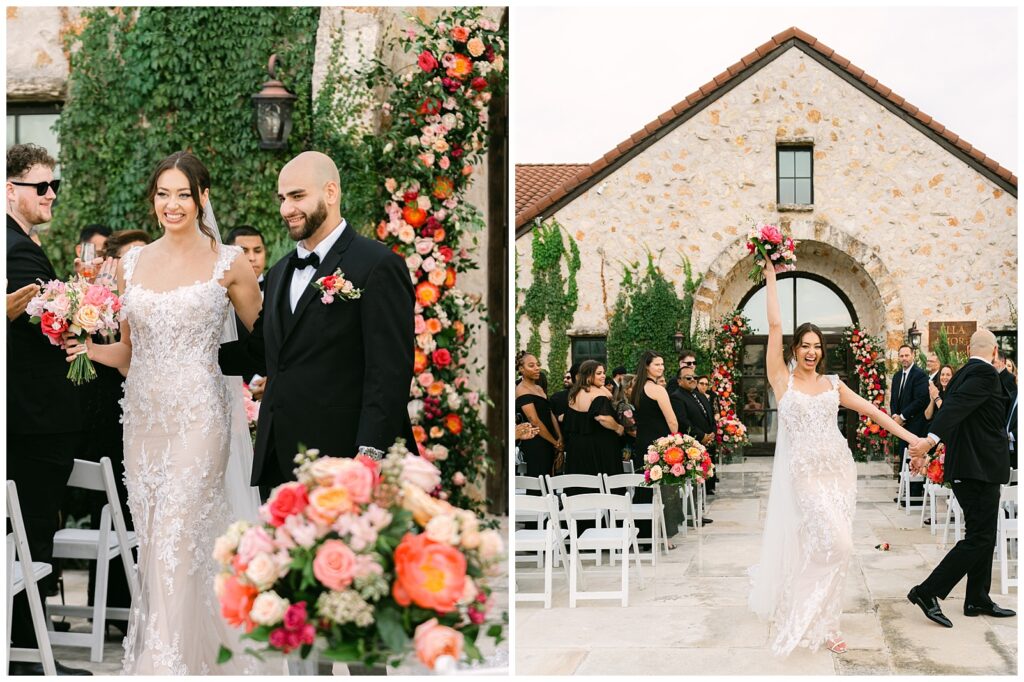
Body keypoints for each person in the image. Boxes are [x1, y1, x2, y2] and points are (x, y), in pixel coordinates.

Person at [65, 151, 271, 674]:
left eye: (183, 194)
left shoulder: (230, 261)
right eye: (163, 194)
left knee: (177, 535)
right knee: (159, 541)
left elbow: (268, 340)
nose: (172, 204)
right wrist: (87, 350)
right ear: (153, 199)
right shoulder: (131, 263)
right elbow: (130, 355)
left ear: (202, 198)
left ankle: (165, 666)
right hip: (143, 420)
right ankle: (201, 657)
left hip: (201, 416)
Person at [748, 260, 922, 656]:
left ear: (821, 351)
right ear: (795, 350)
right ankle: (799, 611)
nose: (811, 352)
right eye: (805, 346)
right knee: (839, 544)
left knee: (828, 547)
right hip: (806, 474)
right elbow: (774, 326)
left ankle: (829, 623)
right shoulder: (781, 379)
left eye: (817, 347)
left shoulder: (833, 384)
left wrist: (913, 438)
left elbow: (875, 412)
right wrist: (771, 276)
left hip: (840, 472)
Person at [218, 151, 416, 496]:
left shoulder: (378, 264)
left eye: (297, 196)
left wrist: (369, 453)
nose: (286, 209)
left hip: (346, 459)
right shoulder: (279, 272)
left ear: (330, 192)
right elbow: (263, 353)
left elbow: (390, 371)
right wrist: (185, 351)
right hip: (280, 460)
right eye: (282, 198)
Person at [7, 143, 92, 676]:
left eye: (53, 183)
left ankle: (22, 652)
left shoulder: (21, 244)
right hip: (33, 422)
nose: (52, 193)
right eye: (41, 185)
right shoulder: (16, 252)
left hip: (27, 420)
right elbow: (49, 333)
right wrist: (83, 307)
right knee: (32, 537)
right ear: (9, 189)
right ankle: (30, 660)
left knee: (24, 537)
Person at [907, 329, 1016, 627]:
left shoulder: (961, 376)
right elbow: (953, 411)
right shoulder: (984, 375)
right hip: (977, 470)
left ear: (968, 349)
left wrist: (928, 452)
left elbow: (958, 415)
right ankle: (927, 591)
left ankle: (977, 597)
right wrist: (929, 442)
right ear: (994, 351)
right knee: (980, 537)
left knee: (983, 535)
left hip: (972, 469)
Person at [77, 228, 153, 636]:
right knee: (110, 514)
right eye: (130, 259)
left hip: (150, 418)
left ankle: (136, 614)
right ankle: (107, 613)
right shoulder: (100, 309)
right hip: (107, 421)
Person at [564, 360, 623, 478]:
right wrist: (618, 427)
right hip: (598, 448)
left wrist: (600, 386)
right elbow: (602, 418)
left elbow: (610, 396)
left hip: (576, 447)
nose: (603, 376)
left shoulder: (574, 393)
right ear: (589, 375)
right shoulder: (597, 395)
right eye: (599, 373)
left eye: (603, 373)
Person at [515, 351, 562, 477]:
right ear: (521, 369)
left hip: (549, 440)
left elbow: (550, 413)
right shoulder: (521, 390)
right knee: (539, 479)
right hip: (535, 441)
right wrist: (555, 442)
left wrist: (559, 437)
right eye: (531, 365)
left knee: (550, 480)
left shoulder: (539, 388)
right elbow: (534, 421)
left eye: (537, 364)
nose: (537, 368)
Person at [677, 365, 718, 496]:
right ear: (679, 381)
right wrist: (702, 436)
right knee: (696, 480)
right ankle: (695, 511)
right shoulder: (677, 397)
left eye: (695, 377)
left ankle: (702, 504)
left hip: (707, 441)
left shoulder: (699, 395)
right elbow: (683, 421)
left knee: (706, 475)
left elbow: (710, 415)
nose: (693, 380)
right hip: (694, 442)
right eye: (688, 378)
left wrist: (711, 433)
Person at [890, 345, 930, 438]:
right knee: (901, 452)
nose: (904, 358)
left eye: (907, 355)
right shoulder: (897, 376)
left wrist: (902, 417)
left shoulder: (920, 375)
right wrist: (895, 416)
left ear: (913, 355)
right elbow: (893, 399)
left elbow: (920, 400)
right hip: (899, 426)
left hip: (914, 426)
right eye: (901, 356)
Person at [224, 224, 267, 290]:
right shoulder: (220, 290)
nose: (252, 258)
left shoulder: (278, 285)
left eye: (257, 251)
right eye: (243, 251)